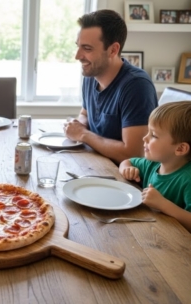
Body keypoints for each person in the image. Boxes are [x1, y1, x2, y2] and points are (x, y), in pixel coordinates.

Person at [64, 9, 157, 164]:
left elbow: (134, 153)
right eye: (78, 46)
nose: (78, 56)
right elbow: (85, 114)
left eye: (87, 48)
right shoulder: (91, 74)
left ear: (113, 50)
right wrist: (78, 125)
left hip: (127, 180)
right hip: (96, 164)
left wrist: (83, 135)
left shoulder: (137, 86)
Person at [119, 102, 191, 232]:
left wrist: (163, 204)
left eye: (153, 135)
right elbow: (127, 161)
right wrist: (126, 169)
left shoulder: (188, 179)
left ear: (180, 148)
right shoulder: (154, 163)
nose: (145, 138)